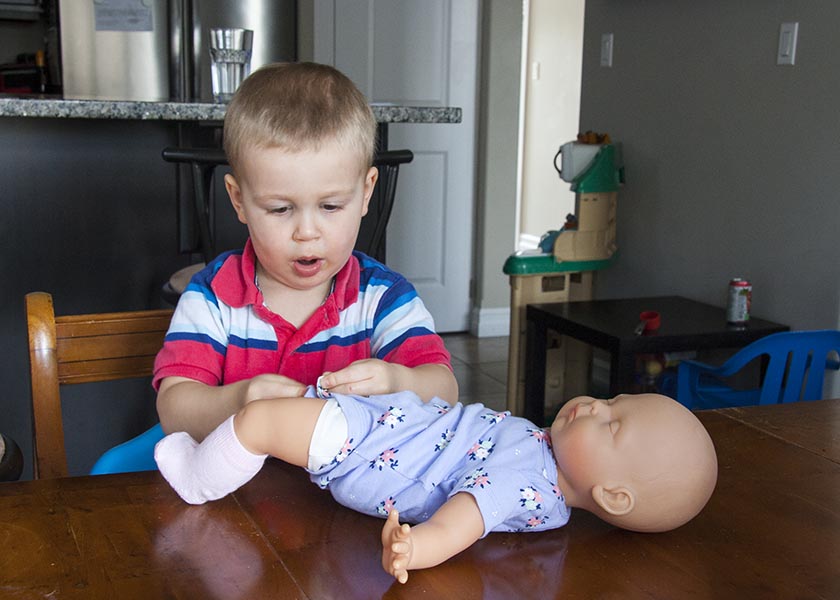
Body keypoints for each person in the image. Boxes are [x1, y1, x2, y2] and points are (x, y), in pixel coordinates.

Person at [153, 62, 457, 441]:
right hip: (237, 496)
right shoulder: (214, 297)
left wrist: (397, 379)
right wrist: (240, 399)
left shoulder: (382, 298)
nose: (307, 233)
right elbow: (174, 410)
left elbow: (444, 388)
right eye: (280, 209)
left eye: (330, 207)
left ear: (366, 193)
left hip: (348, 498)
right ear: (238, 200)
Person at [154, 391, 718, 584]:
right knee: (271, 420)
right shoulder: (541, 457)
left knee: (259, 421)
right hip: (387, 430)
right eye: (614, 400)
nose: (597, 405)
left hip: (371, 452)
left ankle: (198, 481)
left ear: (614, 495)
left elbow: (468, 516)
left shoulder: (528, 483)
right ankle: (213, 460)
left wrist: (418, 549)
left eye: (612, 424)